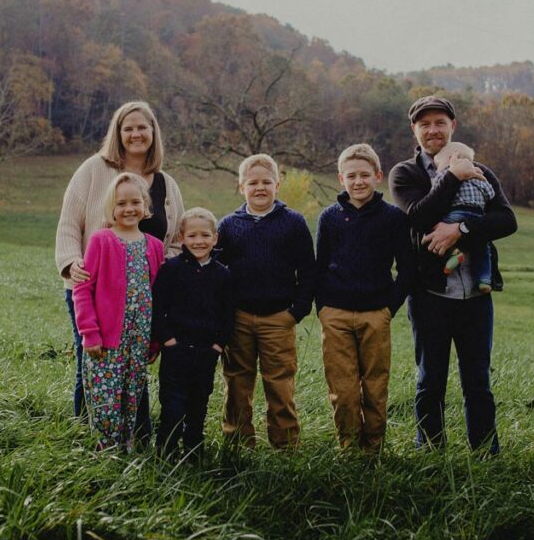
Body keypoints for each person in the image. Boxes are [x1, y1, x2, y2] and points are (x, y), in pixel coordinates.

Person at [388, 95, 517, 455]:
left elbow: (507, 220)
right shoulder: (405, 173)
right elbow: (416, 215)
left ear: (452, 126)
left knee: (478, 379)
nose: (433, 130)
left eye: (440, 123)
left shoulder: (480, 169)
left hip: (476, 293)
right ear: (414, 130)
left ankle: (485, 451)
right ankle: (430, 450)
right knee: (430, 378)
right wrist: (451, 177)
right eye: (424, 124)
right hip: (430, 293)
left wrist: (460, 231)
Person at [55, 101, 185, 442]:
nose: (136, 134)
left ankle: (134, 436)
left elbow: (176, 239)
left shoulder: (166, 185)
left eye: (143, 127)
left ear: (154, 132)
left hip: (146, 296)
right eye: (128, 128)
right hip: (95, 289)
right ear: (118, 133)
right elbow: (69, 221)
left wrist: (167, 274)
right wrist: (72, 263)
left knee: (134, 366)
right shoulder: (94, 170)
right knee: (93, 361)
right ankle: (89, 435)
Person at [314, 143, 413, 452]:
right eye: (351, 176)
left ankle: (373, 449)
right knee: (342, 389)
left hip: (376, 314)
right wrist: (323, 308)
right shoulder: (329, 217)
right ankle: (348, 446)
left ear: (378, 176)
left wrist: (388, 307)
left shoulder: (393, 218)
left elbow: (408, 268)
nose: (358, 182)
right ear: (341, 179)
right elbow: (319, 266)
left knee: (375, 386)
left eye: (365, 175)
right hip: (336, 314)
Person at [216, 154, 316, 449]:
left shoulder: (293, 223)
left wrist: (296, 312)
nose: (260, 188)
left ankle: (285, 445)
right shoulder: (229, 225)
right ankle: (237, 442)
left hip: (278, 317)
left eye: (266, 182)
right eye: (253, 183)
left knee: (280, 384)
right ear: (241, 187)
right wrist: (226, 313)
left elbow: (308, 271)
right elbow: (218, 275)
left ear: (277, 183)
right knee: (236, 383)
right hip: (240, 319)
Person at [72, 173, 165, 449]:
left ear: (146, 206)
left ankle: (126, 451)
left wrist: (154, 340)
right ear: (111, 207)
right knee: (105, 400)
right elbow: (82, 290)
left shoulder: (155, 247)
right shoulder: (101, 240)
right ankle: (105, 453)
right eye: (121, 203)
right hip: (106, 342)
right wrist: (90, 333)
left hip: (139, 341)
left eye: (135, 202)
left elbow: (159, 297)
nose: (128, 209)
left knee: (131, 396)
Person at [152, 207, 234, 459]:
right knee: (173, 406)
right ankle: (165, 453)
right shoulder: (172, 269)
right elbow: (157, 308)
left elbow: (228, 315)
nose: (199, 241)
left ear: (215, 238)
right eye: (192, 236)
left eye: (205, 236)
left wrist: (218, 346)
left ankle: (193, 452)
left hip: (205, 353)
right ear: (181, 238)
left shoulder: (223, 274)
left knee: (198, 405)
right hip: (176, 351)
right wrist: (168, 341)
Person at [432, 141, 496, 293]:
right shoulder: (479, 175)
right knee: (483, 249)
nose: (437, 168)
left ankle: (454, 254)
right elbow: (490, 194)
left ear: (451, 159)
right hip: (477, 214)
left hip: (456, 212)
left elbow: (435, 194)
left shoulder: (445, 174)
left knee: (436, 232)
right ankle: (484, 280)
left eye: (438, 164)